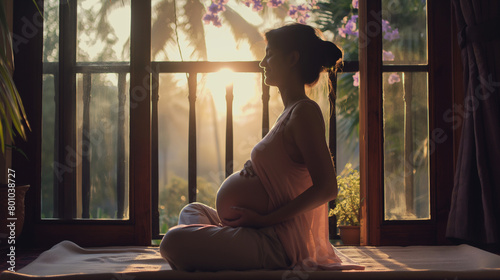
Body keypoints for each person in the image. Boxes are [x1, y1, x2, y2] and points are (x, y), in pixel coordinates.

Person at [160, 23, 363, 272]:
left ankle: (222, 248)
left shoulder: (304, 113)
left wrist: (264, 220)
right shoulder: (290, 112)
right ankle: (226, 243)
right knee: (192, 210)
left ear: (292, 59)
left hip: (277, 241)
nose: (262, 63)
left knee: (172, 242)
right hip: (256, 227)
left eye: (269, 54)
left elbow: (327, 188)